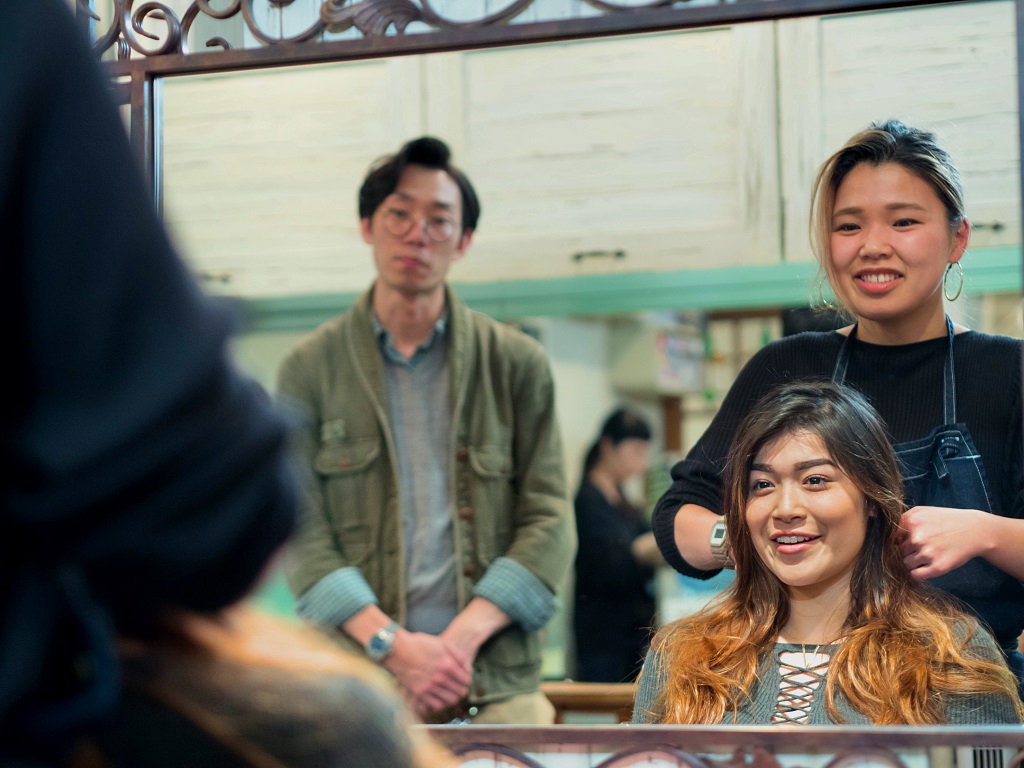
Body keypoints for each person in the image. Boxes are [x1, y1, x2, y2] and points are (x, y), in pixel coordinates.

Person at [651, 120, 1024, 686]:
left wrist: (986, 533)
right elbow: (678, 514)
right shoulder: (785, 367)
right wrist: (751, 535)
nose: (874, 246)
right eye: (849, 226)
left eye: (904, 222)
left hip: (963, 691)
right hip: (799, 688)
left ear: (957, 239)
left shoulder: (1009, 373)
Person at [278, 136, 576, 724]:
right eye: (399, 214)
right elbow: (299, 530)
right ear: (368, 226)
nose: (417, 233)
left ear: (463, 242)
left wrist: (454, 646)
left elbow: (549, 519)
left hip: (494, 681)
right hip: (357, 678)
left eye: (439, 221)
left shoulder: (515, 362)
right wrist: (393, 647)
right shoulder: (309, 367)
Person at [633, 382, 1024, 725]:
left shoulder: (951, 656)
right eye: (763, 485)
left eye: (815, 480)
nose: (785, 508)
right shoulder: (681, 656)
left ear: (871, 499)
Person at [573, 409, 662, 683]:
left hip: (631, 635)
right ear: (608, 446)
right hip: (602, 638)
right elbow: (617, 558)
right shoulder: (588, 501)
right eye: (635, 451)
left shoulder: (624, 502)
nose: (641, 463)